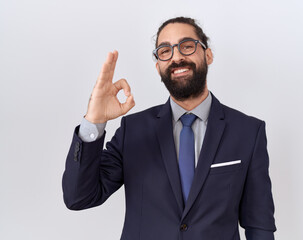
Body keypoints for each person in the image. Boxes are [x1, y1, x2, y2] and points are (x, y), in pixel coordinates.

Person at [62, 16, 276, 240]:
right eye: (165, 51)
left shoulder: (248, 132)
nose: (177, 57)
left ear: (208, 54)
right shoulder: (133, 131)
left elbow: (259, 224)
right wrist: (94, 120)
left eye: (187, 46)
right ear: (158, 67)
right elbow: (79, 197)